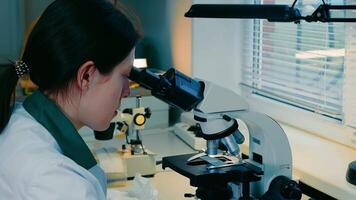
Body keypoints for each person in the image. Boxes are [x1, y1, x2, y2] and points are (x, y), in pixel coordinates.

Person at [0, 0, 141, 199]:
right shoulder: (60, 183)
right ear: (86, 76)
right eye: (125, 76)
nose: (127, 90)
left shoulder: (20, 117)